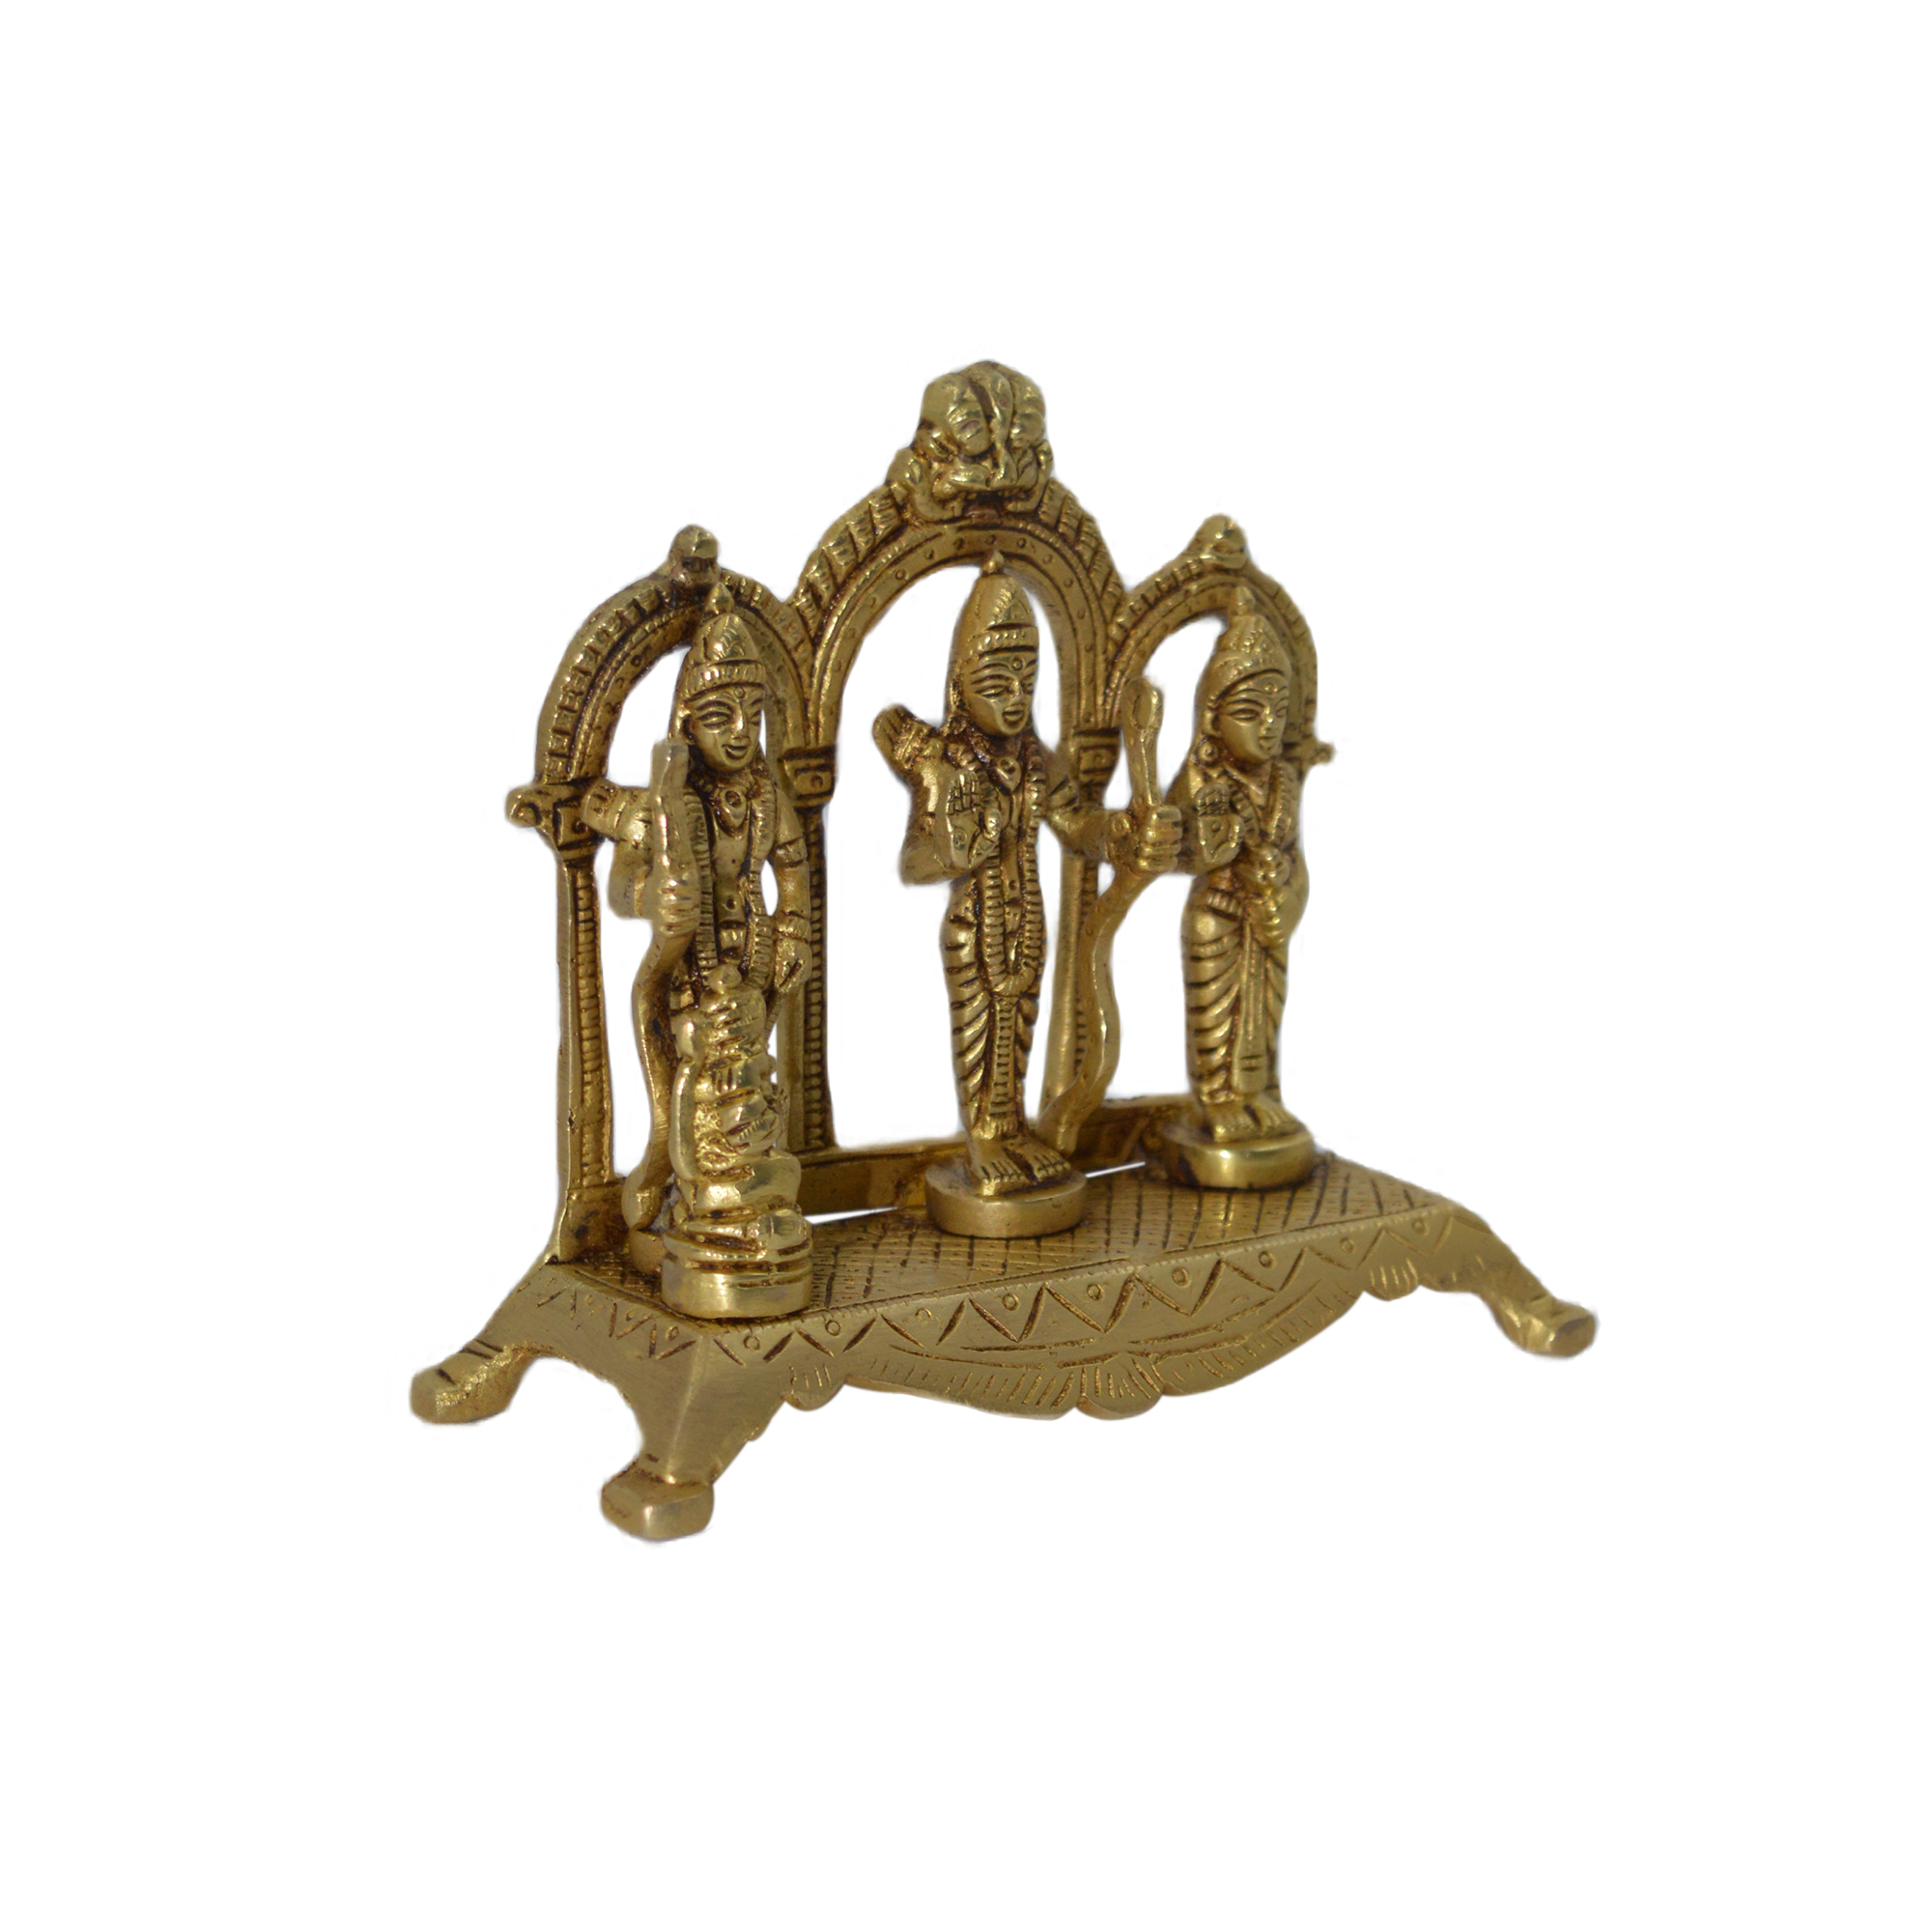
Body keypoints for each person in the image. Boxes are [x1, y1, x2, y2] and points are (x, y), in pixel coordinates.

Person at [875, 553, 1178, 1208]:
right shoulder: (950, 767)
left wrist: (1123, 833)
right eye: (996, 681)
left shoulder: (1038, 761)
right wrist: (957, 842)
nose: (1014, 697)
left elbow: (1077, 825)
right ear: (961, 685)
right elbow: (914, 863)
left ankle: (1012, 1131)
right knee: (981, 1033)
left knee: (1019, 1032)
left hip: (1029, 922)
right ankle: (985, 1139)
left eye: (1026, 681)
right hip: (974, 927)